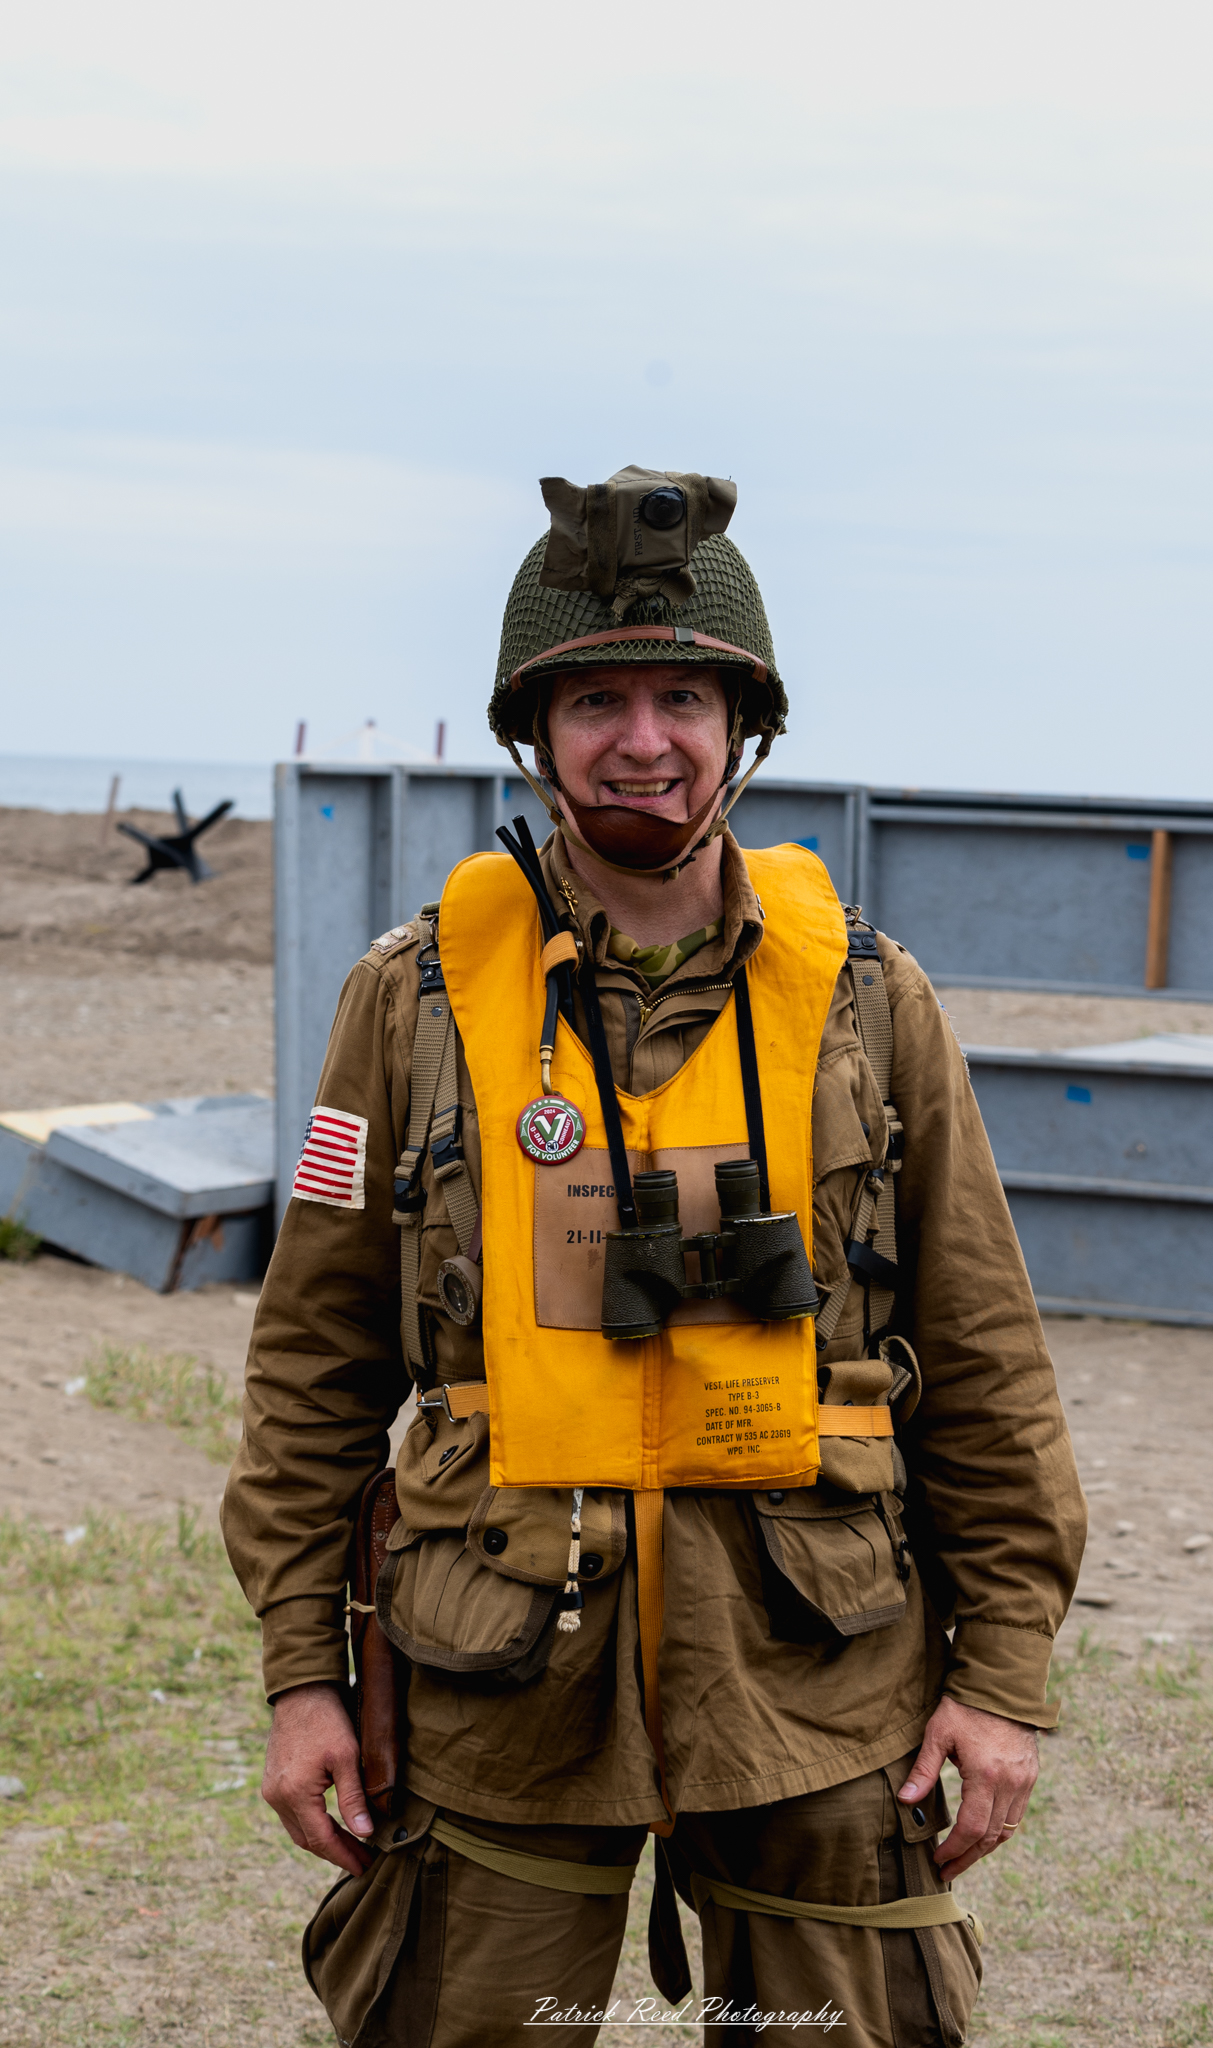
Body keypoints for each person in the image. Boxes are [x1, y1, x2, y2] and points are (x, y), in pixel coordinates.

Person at [222, 466, 1086, 2048]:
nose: (642, 739)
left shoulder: (870, 1004)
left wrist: (1004, 1676)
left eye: (682, 696)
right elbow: (312, 1367)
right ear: (532, 736)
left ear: (740, 727)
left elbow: (983, 1360)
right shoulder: (403, 1006)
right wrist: (301, 1679)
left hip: (817, 1683)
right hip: (491, 1674)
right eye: (596, 698)